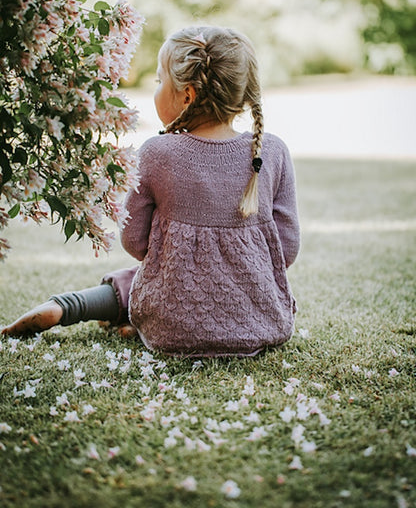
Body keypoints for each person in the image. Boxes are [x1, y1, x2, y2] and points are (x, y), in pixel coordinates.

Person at [2, 26, 300, 357]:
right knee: (178, 271)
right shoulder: (271, 151)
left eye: (159, 81)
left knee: (147, 276)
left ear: (187, 95)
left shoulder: (157, 153)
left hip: (172, 329)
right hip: (260, 323)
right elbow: (285, 250)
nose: (156, 88)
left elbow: (135, 242)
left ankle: (70, 307)